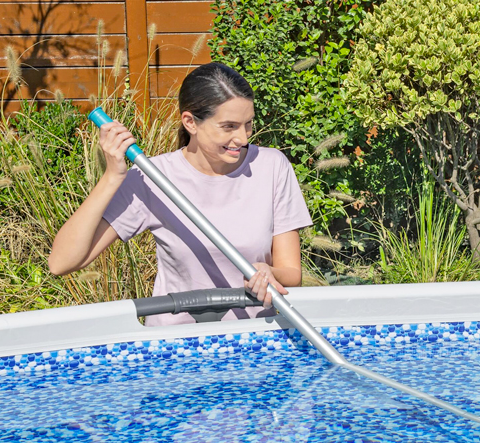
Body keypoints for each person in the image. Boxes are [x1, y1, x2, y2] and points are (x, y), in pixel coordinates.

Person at [48, 63, 312, 325]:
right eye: (229, 126)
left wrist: (269, 272)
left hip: (253, 338)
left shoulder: (271, 166)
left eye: (248, 124)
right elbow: (61, 263)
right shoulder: (153, 177)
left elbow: (292, 274)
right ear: (190, 122)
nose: (243, 138)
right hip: (177, 340)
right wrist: (112, 177)